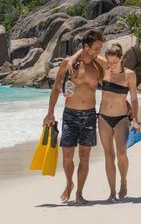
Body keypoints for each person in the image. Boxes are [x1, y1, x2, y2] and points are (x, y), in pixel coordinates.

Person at [66, 42, 140, 202]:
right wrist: (71, 60)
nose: (111, 65)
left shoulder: (130, 75)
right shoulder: (104, 71)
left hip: (121, 118)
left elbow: (133, 99)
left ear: (122, 59)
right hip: (104, 118)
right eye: (109, 62)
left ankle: (123, 181)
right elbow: (86, 51)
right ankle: (112, 193)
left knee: (121, 154)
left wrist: (135, 119)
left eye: (115, 62)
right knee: (109, 155)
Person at [43, 30, 104, 204]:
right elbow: (56, 89)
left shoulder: (97, 67)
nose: (98, 52)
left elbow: (110, 76)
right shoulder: (68, 64)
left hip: (90, 116)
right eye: (96, 48)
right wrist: (50, 113)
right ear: (86, 46)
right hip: (70, 115)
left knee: (85, 157)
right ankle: (69, 184)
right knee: (68, 157)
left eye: (100, 48)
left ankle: (79, 193)